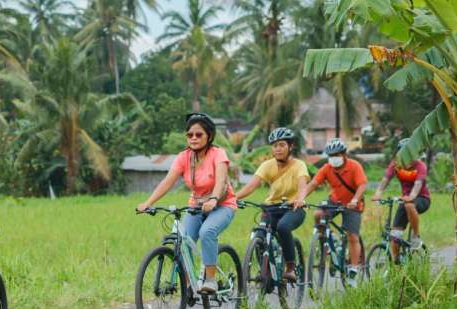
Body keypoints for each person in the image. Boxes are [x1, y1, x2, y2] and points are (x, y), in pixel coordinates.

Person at [136, 113, 237, 294]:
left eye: (199, 134)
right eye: (190, 134)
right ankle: (189, 285)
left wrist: (214, 199)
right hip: (196, 206)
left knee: (207, 232)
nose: (194, 138)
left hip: (223, 205)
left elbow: (221, 181)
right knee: (183, 240)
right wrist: (148, 202)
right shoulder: (184, 157)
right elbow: (168, 181)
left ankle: (211, 279)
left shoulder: (218, 154)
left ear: (209, 136)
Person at [234, 127, 308, 282]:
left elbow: (303, 185)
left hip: (294, 208)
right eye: (275, 146)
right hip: (271, 208)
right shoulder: (267, 165)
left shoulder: (299, 165)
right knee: (259, 235)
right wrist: (232, 198)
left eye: (282, 145)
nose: (278, 149)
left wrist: (300, 199)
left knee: (283, 227)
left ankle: (290, 267)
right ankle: (266, 272)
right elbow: (250, 186)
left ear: (290, 146)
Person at [303, 139, 368, 275]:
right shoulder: (327, 168)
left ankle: (353, 268)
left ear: (344, 155)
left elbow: (362, 185)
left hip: (353, 204)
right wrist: (300, 198)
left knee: (352, 236)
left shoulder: (354, 166)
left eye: (337, 155)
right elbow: (313, 183)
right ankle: (325, 239)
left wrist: (355, 199)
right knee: (318, 214)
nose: (334, 158)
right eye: (331, 155)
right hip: (335, 201)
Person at [373, 138, 430, 258]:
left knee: (409, 205)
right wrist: (378, 193)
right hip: (405, 200)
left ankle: (416, 236)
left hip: (422, 198)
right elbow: (386, 179)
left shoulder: (420, 166)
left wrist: (412, 196)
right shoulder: (396, 165)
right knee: (394, 236)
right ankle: (397, 264)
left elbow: (418, 184)